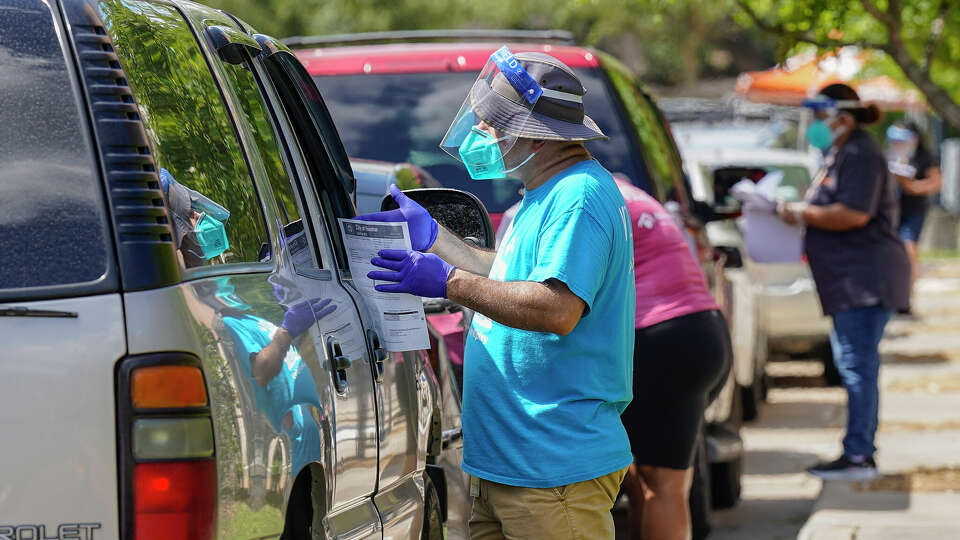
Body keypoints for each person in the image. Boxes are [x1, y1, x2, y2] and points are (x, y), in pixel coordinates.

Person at [359, 48, 635, 539]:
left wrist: (447, 283)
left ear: (533, 131)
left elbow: (557, 308)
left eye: (492, 124)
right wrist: (436, 238)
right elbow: (509, 275)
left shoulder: (579, 196)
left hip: (553, 471)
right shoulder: (539, 194)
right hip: (509, 464)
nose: (481, 134)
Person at [778, 84, 910, 480]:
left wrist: (801, 214)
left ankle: (859, 457)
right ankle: (857, 452)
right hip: (850, 281)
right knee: (853, 365)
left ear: (843, 118)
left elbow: (853, 214)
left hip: (864, 280)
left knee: (857, 368)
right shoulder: (841, 153)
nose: (815, 126)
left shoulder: (859, 154)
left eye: (820, 117)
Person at [886, 121, 942, 309]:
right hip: (889, 212)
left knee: (908, 252)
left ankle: (906, 300)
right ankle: (891, 297)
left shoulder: (925, 157)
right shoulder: (888, 157)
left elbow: (936, 184)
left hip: (913, 211)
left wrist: (911, 186)